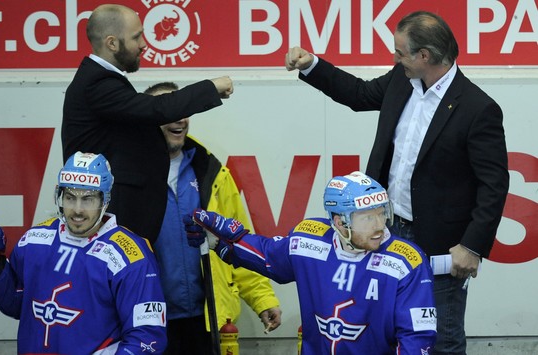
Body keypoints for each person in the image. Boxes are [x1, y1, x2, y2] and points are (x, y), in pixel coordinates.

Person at [284, 11, 509, 354]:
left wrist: (472, 246)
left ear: (425, 56)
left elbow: (494, 184)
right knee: (379, 330)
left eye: (400, 52)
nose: (394, 58)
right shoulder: (401, 80)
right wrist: (311, 64)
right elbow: (358, 94)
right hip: (384, 231)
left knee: (438, 340)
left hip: (439, 247)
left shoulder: (478, 109)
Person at [185, 172, 437, 354]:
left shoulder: (407, 261)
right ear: (339, 223)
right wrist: (220, 243)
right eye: (367, 218)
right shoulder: (309, 239)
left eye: (382, 213)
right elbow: (267, 256)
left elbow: (417, 339)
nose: (380, 226)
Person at [0, 152, 167, 354]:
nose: (77, 210)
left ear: (105, 200)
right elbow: (16, 305)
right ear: (59, 195)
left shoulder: (131, 255)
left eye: (88, 199)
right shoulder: (35, 239)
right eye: (70, 197)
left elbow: (148, 337)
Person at [62, 4, 234, 245]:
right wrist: (210, 88)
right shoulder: (95, 83)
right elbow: (156, 109)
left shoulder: (103, 81)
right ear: (112, 43)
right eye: (136, 37)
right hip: (107, 232)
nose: (144, 44)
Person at [144, 82, 282, 354]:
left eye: (183, 109)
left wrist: (263, 299)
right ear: (147, 119)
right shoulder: (128, 177)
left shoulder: (212, 173)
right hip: (147, 322)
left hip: (208, 322)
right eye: (169, 110)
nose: (180, 118)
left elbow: (238, 243)